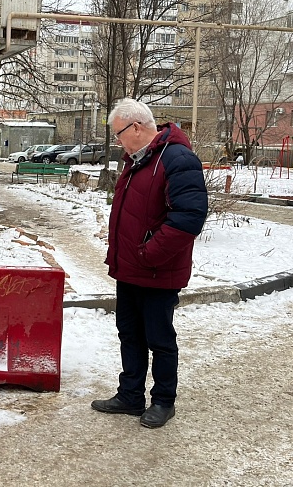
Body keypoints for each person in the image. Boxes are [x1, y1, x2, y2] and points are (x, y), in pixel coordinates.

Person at [92, 98, 208, 428]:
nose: (117, 141)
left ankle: (163, 401)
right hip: (130, 268)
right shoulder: (138, 160)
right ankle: (130, 395)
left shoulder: (177, 158)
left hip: (157, 269)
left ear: (137, 127)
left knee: (159, 338)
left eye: (118, 134)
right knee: (129, 333)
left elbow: (189, 216)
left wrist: (148, 253)